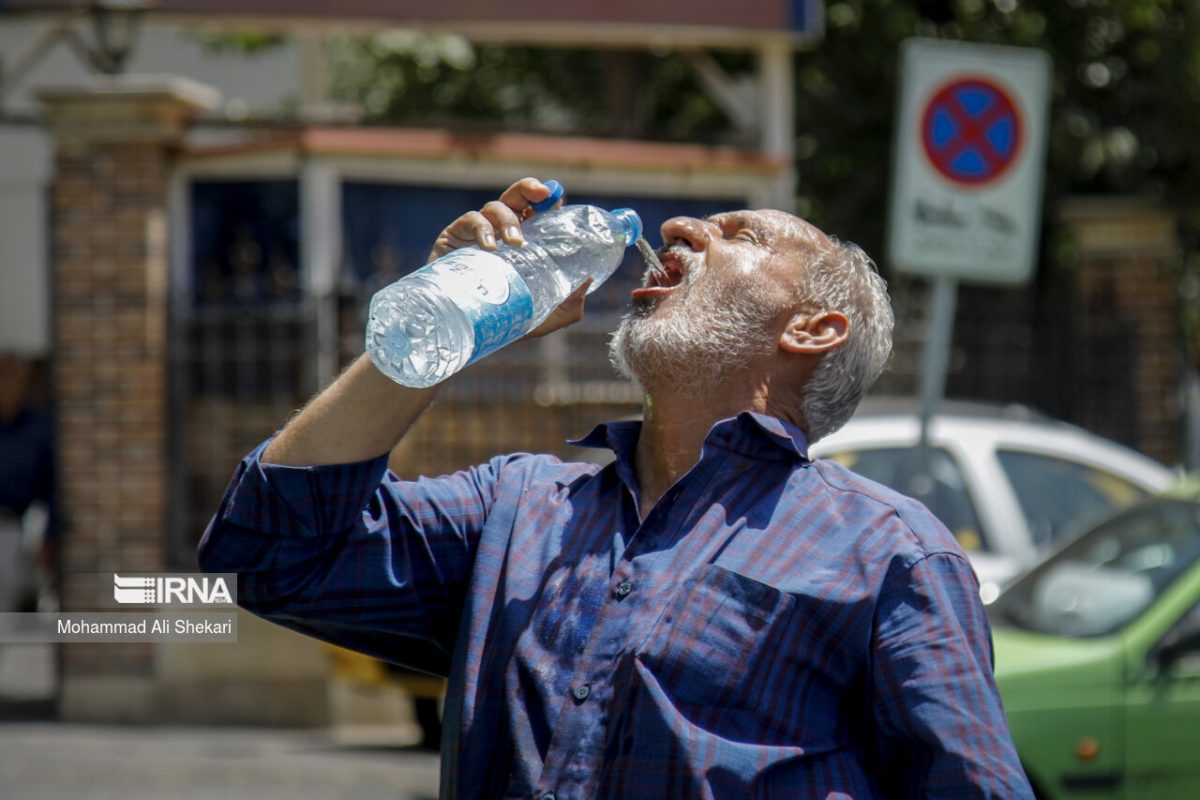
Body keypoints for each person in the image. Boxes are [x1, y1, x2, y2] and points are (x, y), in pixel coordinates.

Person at [199, 178, 1033, 798]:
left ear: (811, 328)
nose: (677, 225)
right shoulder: (517, 510)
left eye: (739, 232)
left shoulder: (888, 553)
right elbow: (267, 551)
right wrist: (435, 324)